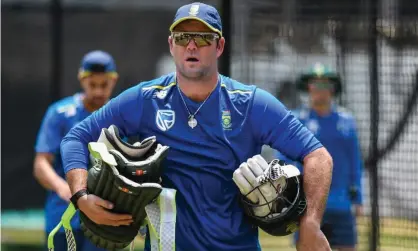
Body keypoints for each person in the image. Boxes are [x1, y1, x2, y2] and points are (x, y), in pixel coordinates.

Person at [60, 3, 333, 251]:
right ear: (171, 45)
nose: (191, 45)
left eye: (203, 37)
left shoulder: (250, 104)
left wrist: (310, 223)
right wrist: (81, 196)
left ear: (219, 46)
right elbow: (75, 137)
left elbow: (318, 156)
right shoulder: (145, 100)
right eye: (182, 37)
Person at [33, 50, 119, 251]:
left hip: (104, 217)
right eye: (93, 85)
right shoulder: (60, 113)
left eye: (104, 85)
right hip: (64, 214)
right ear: (82, 80)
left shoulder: (119, 114)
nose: (98, 91)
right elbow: (41, 163)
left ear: (114, 81)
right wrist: (63, 187)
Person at [277, 63, 364, 251]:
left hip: (340, 203)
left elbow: (355, 161)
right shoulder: (296, 120)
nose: (319, 90)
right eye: (315, 85)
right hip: (307, 206)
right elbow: (282, 160)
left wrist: (358, 198)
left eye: (325, 85)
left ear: (333, 89)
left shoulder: (346, 121)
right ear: (308, 88)